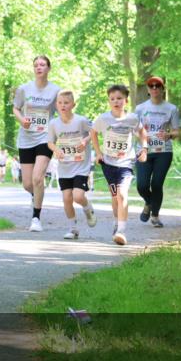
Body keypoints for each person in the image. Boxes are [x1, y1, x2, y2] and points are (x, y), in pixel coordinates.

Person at [90, 84, 148, 245]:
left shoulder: (132, 119)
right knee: (115, 197)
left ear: (126, 101)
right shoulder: (103, 119)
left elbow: (142, 132)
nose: (116, 101)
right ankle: (116, 222)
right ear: (109, 101)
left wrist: (144, 148)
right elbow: (93, 132)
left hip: (126, 163)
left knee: (122, 194)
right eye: (112, 99)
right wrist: (98, 152)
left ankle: (121, 231)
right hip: (108, 163)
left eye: (119, 98)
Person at [12, 56, 60, 232]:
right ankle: (35, 195)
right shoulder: (24, 89)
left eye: (42, 65)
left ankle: (36, 218)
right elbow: (16, 108)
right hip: (26, 138)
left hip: (45, 137)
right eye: (36, 65)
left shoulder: (56, 90)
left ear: (49, 68)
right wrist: (22, 120)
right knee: (27, 183)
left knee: (37, 178)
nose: (39, 67)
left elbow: (62, 111)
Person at [46, 90, 97, 239]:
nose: (63, 105)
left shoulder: (81, 121)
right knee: (67, 198)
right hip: (64, 167)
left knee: (78, 196)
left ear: (73, 105)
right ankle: (73, 229)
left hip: (81, 165)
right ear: (56, 105)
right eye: (60, 103)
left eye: (66, 103)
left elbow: (94, 132)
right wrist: (56, 150)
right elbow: (50, 142)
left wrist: (85, 141)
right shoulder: (53, 124)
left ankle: (88, 209)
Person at [134, 76, 181, 227]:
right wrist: (143, 137)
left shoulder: (172, 108)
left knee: (156, 184)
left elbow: (177, 131)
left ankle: (155, 216)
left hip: (163, 151)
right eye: (151, 86)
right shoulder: (140, 108)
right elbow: (134, 130)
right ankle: (149, 203)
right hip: (144, 150)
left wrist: (169, 135)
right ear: (148, 90)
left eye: (158, 86)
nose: (154, 88)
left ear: (163, 89)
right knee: (142, 185)